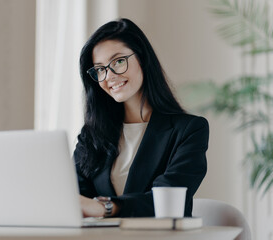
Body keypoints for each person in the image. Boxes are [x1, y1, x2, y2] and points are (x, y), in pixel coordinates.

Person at [73, 18, 209, 218]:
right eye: (100, 69)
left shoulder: (189, 130)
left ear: (143, 59)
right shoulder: (91, 135)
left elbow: (167, 201)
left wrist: (106, 207)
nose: (109, 76)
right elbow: (74, 197)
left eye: (118, 61)